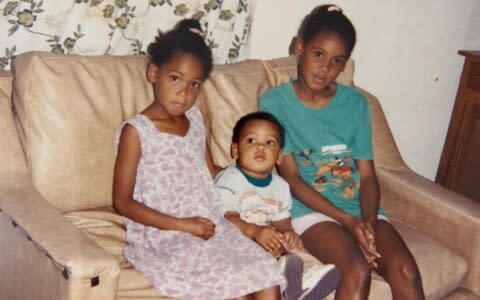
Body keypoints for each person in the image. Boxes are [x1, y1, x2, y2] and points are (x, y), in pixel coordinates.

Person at [259, 4, 425, 300]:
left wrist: (368, 224)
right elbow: (293, 180)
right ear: (300, 47)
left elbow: (368, 176)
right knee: (357, 270)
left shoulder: (356, 104)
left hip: (358, 208)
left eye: (337, 61)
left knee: (407, 273)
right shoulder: (275, 103)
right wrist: (349, 223)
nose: (325, 68)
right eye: (318, 54)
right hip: (308, 209)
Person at [112, 19, 285, 300]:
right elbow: (122, 202)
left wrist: (254, 183)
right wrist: (183, 226)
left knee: (265, 273)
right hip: (166, 233)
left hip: (210, 224)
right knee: (233, 286)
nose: (184, 93)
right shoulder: (137, 131)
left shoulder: (194, 118)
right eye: (175, 79)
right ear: (153, 73)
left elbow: (210, 171)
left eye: (194, 84)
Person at [215, 111, 340, 300]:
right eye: (251, 140)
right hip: (234, 240)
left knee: (288, 250)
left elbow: (282, 221)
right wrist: (254, 231)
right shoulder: (231, 178)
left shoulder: (280, 186)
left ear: (279, 156)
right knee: (264, 249)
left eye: (269, 143)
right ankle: (289, 283)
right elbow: (226, 218)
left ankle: (296, 284)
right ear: (235, 150)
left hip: (265, 243)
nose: (260, 147)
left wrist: (289, 233)